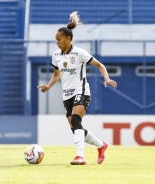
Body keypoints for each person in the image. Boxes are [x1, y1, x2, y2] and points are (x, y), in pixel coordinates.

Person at [37, 11, 117, 165]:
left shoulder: (79, 53)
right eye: (55, 39)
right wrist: (48, 86)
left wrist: (106, 78)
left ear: (68, 38)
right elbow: (56, 74)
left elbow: (99, 65)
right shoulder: (56, 55)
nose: (56, 42)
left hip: (81, 92)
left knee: (75, 119)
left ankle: (80, 156)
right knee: (76, 127)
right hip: (66, 95)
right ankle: (101, 145)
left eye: (59, 39)